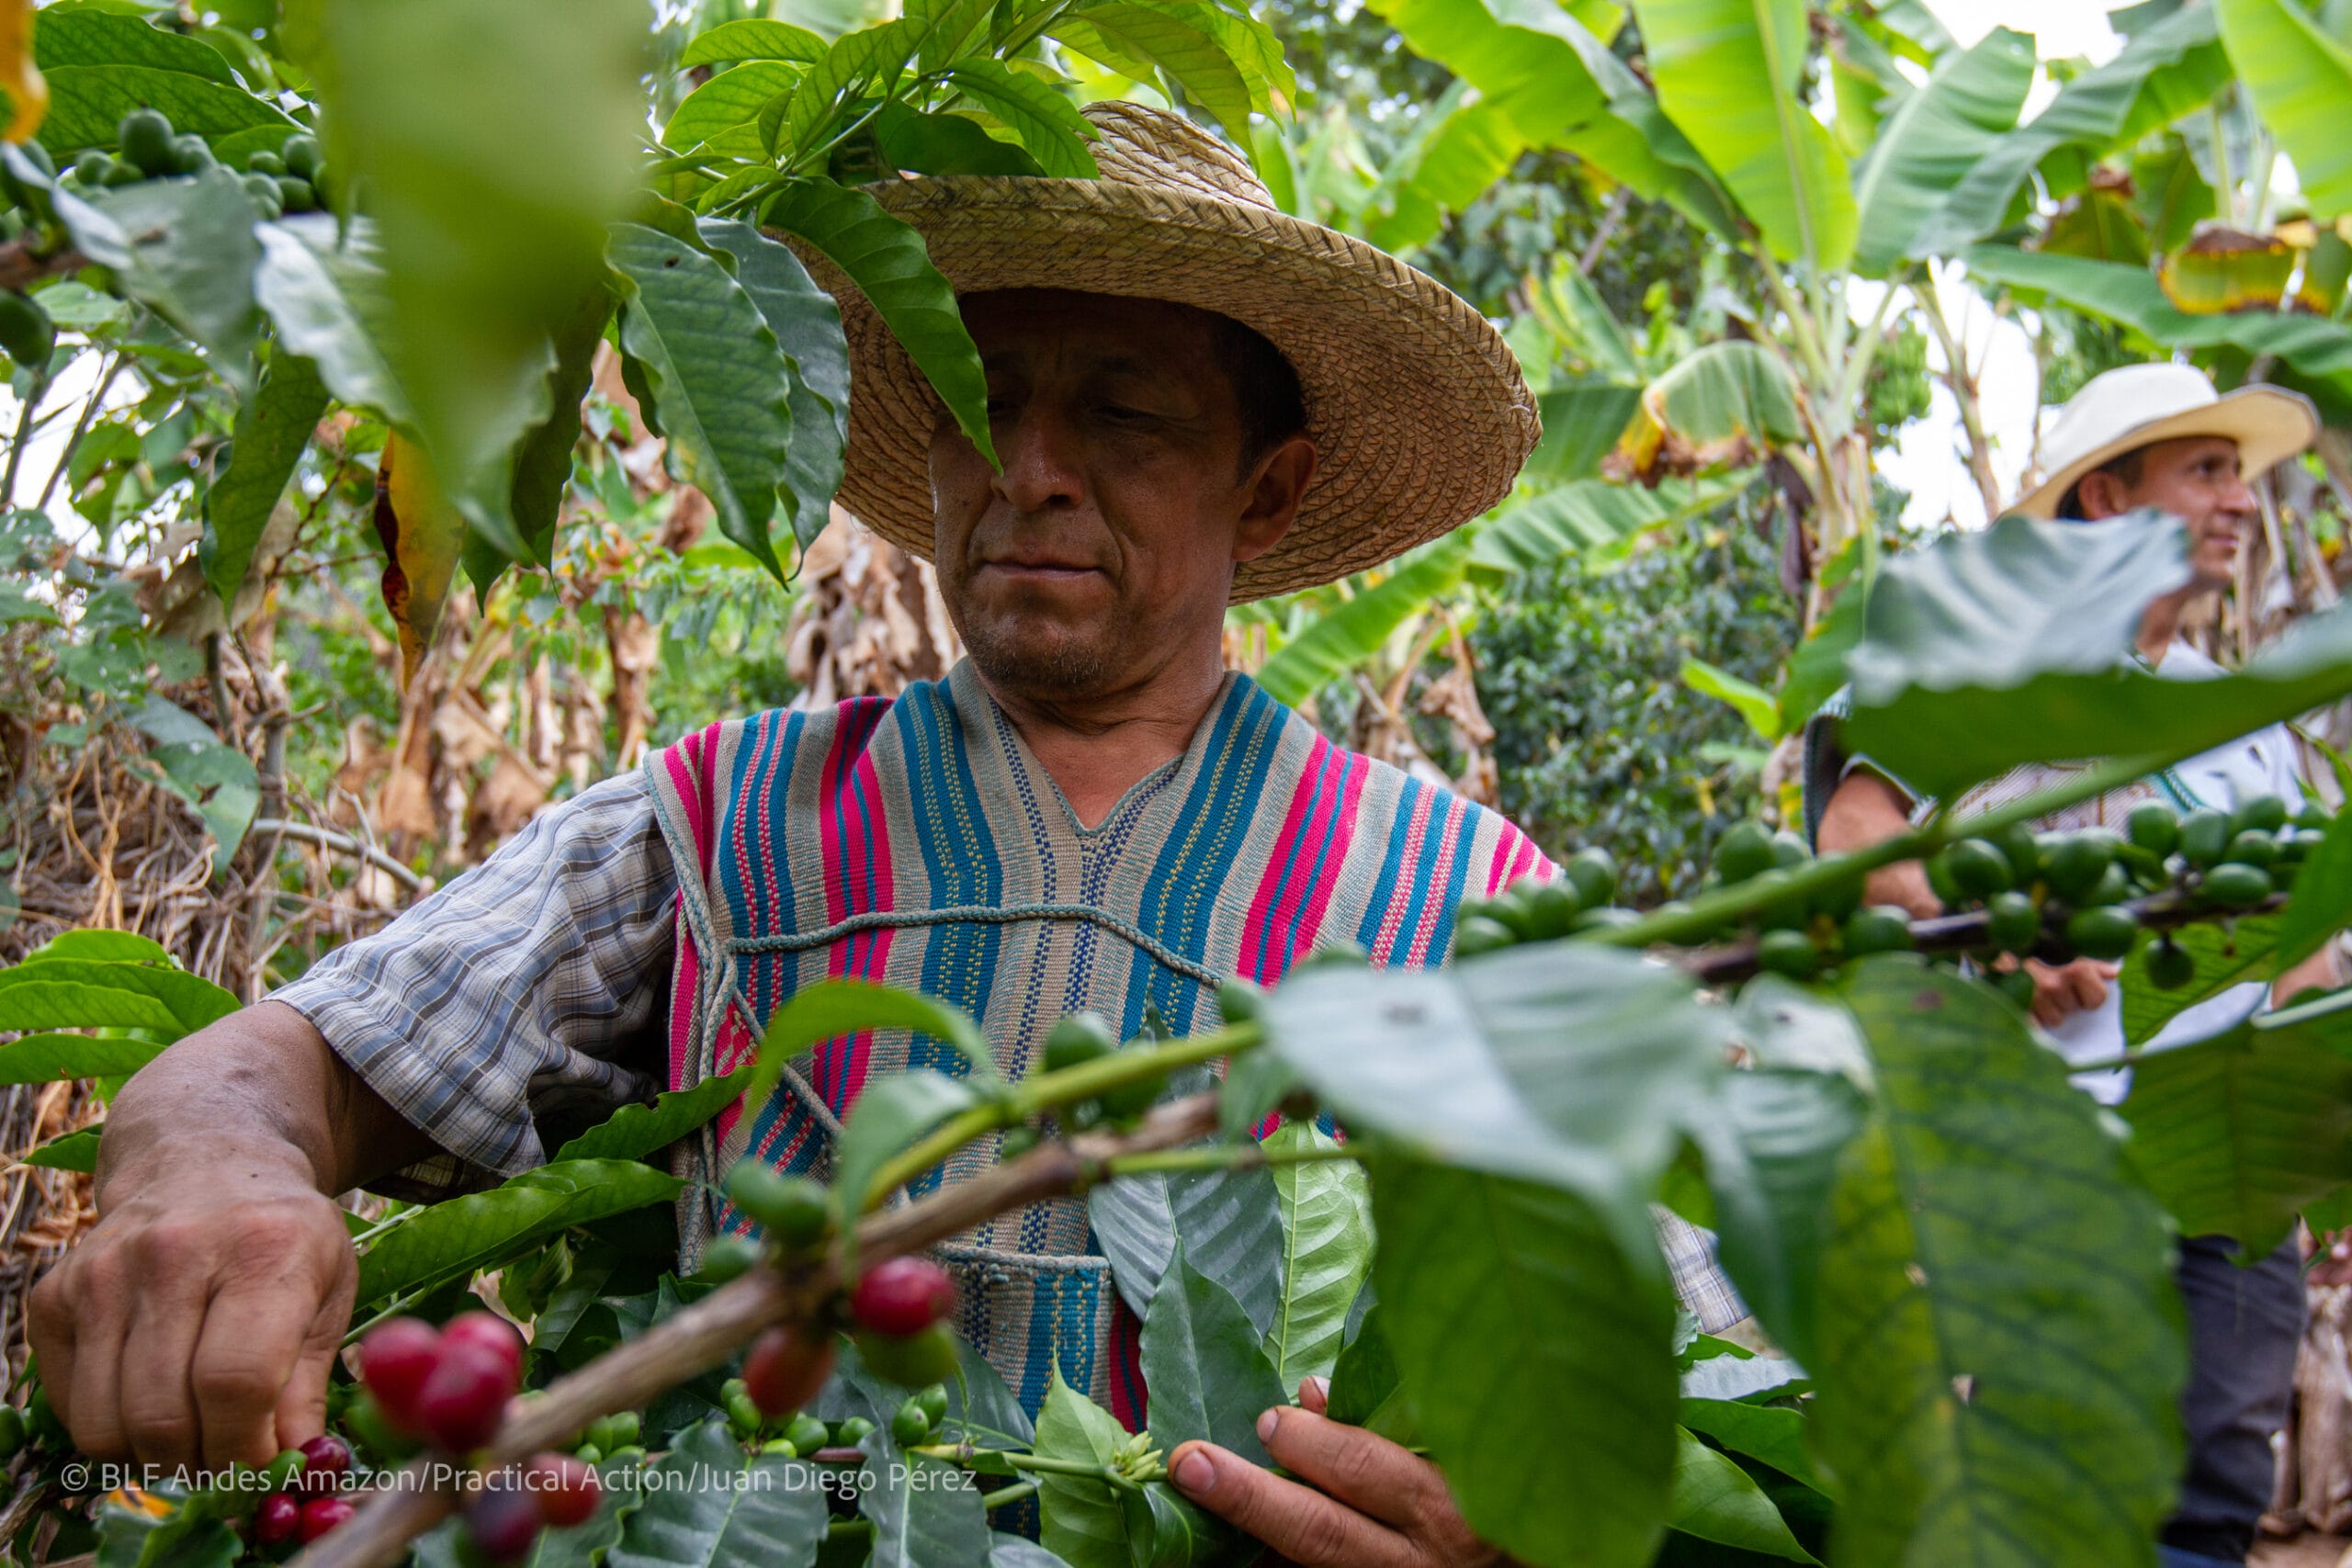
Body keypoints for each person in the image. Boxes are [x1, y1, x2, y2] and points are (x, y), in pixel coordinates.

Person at [28, 102, 1724, 1566]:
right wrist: (208, 1172)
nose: (1033, 468)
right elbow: (299, 1058)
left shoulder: (1469, 907)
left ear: (1264, 494)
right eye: (984, 404)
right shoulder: (719, 824)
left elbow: (1722, 1357)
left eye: (1124, 414)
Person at [1806, 360, 2339, 1568]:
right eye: (2207, 470)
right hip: (2043, 1165)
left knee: (2209, 1507)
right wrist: (1995, 929)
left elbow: (2293, 946)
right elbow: (1854, 838)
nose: (2243, 501)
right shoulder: (1983, 660)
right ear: (2105, 497)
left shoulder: (2238, 713)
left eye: (2242, 477)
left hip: (2222, 1188)